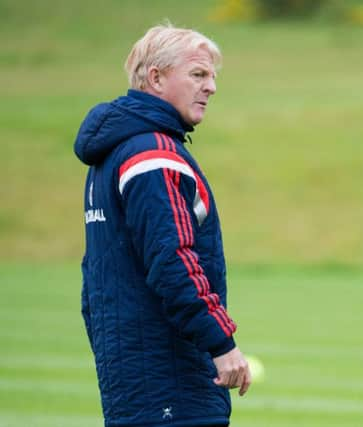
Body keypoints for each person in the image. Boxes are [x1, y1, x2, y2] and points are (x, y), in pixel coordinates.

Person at [74, 24, 251, 427]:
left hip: (130, 376)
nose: (211, 87)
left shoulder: (114, 153)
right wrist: (220, 342)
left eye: (213, 77)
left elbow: (96, 278)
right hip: (169, 374)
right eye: (198, 74)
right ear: (156, 77)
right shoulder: (153, 153)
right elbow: (173, 261)